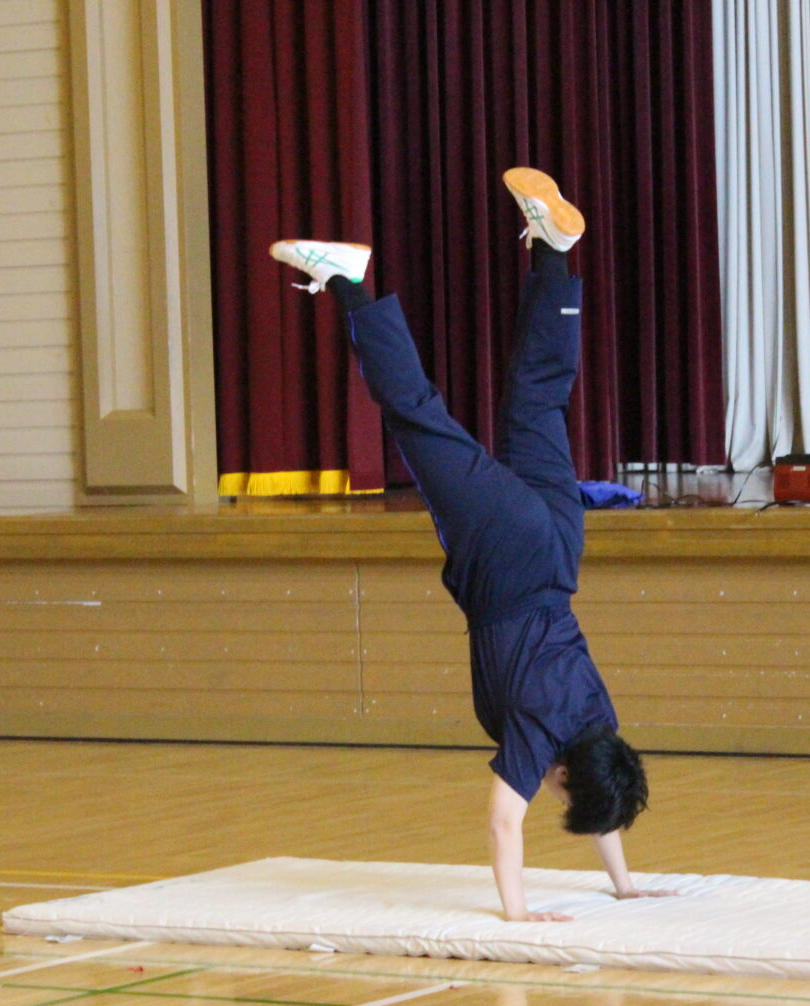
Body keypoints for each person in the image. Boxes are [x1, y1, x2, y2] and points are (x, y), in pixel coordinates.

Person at [272, 167, 673, 922]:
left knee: (538, 394)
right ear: (562, 776)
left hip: (559, 546)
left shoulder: (598, 720)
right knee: (418, 418)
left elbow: (606, 790)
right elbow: (502, 821)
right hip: (506, 554)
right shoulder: (540, 737)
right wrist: (516, 914)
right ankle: (351, 283)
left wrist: (626, 884)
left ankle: (553, 255)